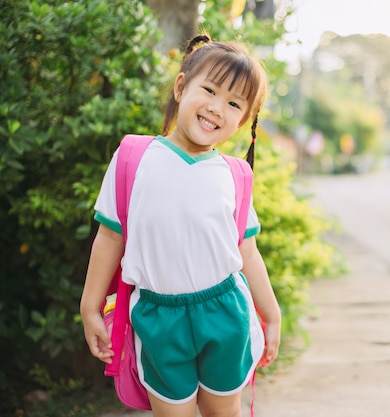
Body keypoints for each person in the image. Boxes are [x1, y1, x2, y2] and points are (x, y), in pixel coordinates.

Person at [80, 34, 281, 417]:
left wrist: (271, 313)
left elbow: (247, 250)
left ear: (242, 121)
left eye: (234, 103)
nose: (217, 108)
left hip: (225, 313)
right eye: (209, 89)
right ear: (181, 86)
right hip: (157, 317)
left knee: (225, 413)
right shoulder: (134, 158)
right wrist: (90, 306)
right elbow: (109, 237)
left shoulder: (235, 175)